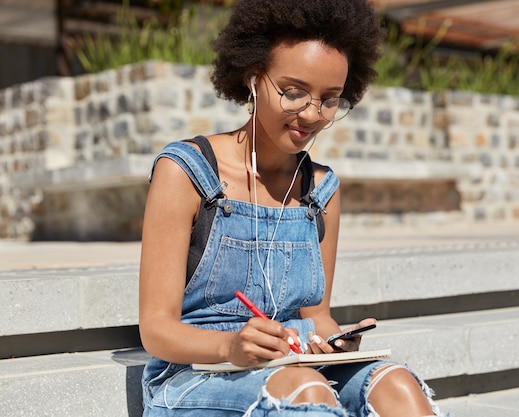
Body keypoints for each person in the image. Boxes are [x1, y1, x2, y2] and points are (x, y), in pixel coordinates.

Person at [139, 0, 444, 416]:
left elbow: (316, 316)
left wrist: (334, 343)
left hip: (296, 365)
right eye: (294, 92)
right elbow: (156, 330)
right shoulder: (186, 172)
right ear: (251, 78)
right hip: (196, 375)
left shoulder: (321, 190)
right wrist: (231, 346)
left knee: (397, 386)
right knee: (305, 392)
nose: (312, 114)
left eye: (330, 99)